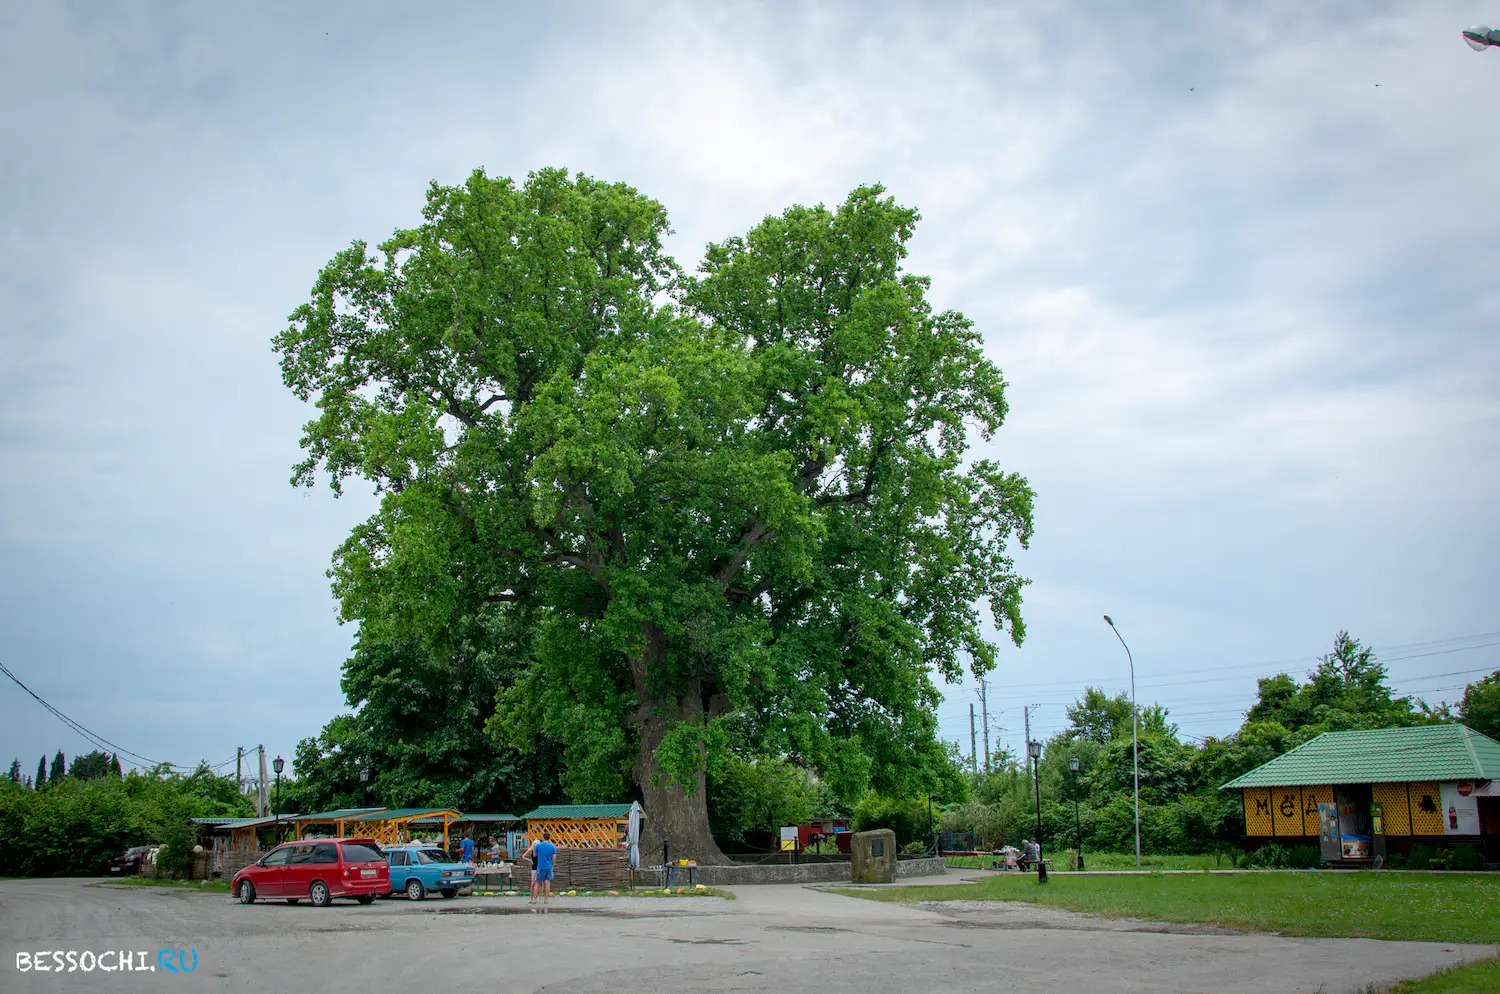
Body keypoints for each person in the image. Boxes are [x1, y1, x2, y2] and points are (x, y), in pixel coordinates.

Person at [524, 831, 558, 905]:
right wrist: (553, 865)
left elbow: (535, 855)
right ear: (549, 838)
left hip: (540, 867)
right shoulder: (552, 846)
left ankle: (534, 900)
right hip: (549, 867)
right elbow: (554, 857)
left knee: (537, 883)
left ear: (543, 837)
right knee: (547, 882)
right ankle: (546, 899)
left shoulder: (538, 846)